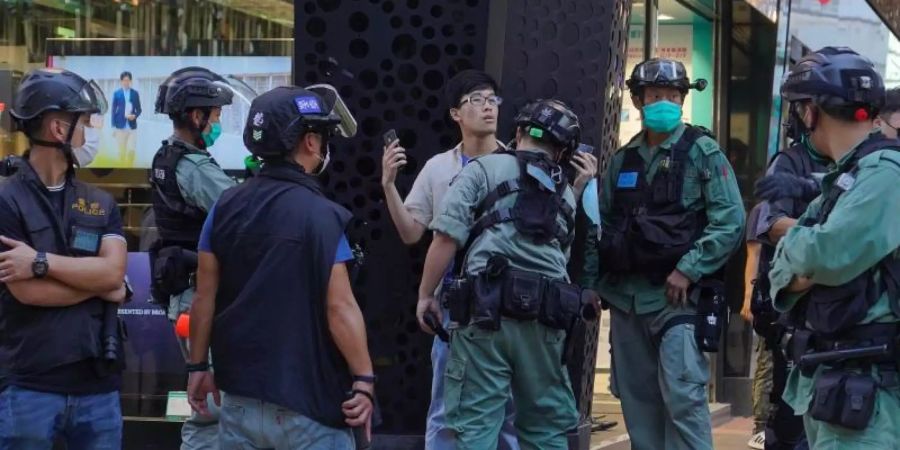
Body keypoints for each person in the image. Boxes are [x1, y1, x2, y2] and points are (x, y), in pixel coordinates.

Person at [186, 85, 375, 449]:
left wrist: (197, 368)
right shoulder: (322, 216)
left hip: (238, 401)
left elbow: (204, 298)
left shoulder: (223, 207)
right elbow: (340, 308)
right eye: (321, 136)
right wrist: (364, 380)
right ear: (308, 142)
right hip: (308, 406)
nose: (323, 145)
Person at [417, 98, 597, 449]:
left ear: (517, 133)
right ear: (561, 152)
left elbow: (445, 237)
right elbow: (563, 258)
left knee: (476, 426)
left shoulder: (483, 169)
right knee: (545, 430)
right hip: (546, 320)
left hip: (486, 315)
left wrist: (426, 295)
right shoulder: (568, 196)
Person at [596, 58, 745, 450]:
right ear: (639, 100)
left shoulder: (702, 151)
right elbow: (605, 226)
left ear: (682, 99)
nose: (664, 101)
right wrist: (592, 286)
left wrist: (689, 268)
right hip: (627, 302)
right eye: (655, 95)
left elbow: (730, 220)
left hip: (677, 300)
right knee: (637, 402)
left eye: (672, 95)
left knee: (683, 398)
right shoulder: (622, 159)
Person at [766, 46, 900, 449]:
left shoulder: (885, 176)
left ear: (811, 111)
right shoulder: (846, 178)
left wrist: (797, 247)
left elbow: (825, 255)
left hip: (869, 393)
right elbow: (781, 279)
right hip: (832, 385)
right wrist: (802, 255)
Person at [381, 69, 522, 450]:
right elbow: (412, 232)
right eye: (476, 100)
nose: (488, 107)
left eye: (492, 99)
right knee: (445, 404)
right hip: (454, 305)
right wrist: (389, 185)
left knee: (509, 410)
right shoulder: (439, 167)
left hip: (510, 303)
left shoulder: (519, 164)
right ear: (455, 114)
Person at [0, 67, 129, 448]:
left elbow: (114, 272)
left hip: (99, 387)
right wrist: (100, 283)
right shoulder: (6, 200)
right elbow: (26, 292)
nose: (89, 132)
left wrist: (41, 263)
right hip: (29, 387)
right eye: (85, 122)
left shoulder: (101, 202)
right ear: (59, 129)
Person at [150, 66, 237, 449]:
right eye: (215, 116)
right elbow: (239, 212)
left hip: (186, 299)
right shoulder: (193, 166)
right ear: (196, 116)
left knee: (207, 407)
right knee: (211, 410)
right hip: (198, 299)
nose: (217, 123)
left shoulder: (167, 157)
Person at [751, 109, 830, 450]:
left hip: (853, 320)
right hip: (797, 317)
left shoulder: (869, 161)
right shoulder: (790, 161)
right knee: (789, 422)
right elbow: (769, 225)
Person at [111, 71, 141, 166]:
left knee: (131, 150)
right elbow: (113, 110)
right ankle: (122, 168)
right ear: (121, 81)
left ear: (131, 81)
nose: (126, 82)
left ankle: (130, 167)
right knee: (121, 151)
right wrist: (113, 126)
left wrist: (135, 116)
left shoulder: (135, 93)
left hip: (132, 126)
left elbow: (139, 109)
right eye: (124, 80)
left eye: (128, 80)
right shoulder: (117, 93)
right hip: (120, 126)